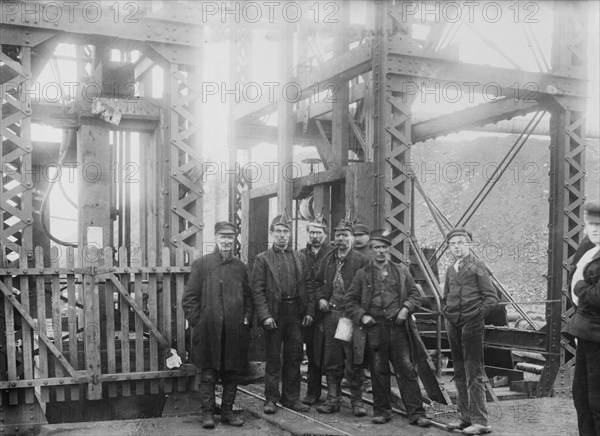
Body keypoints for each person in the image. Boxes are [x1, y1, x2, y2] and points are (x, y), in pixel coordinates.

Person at [346, 229, 431, 427]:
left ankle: (416, 413)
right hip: (375, 329)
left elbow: (415, 295)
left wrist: (406, 309)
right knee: (378, 370)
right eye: (376, 248)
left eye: (384, 247)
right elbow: (350, 301)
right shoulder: (362, 274)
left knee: (406, 369)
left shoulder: (401, 272)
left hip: (398, 328)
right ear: (371, 250)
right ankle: (382, 411)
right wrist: (363, 316)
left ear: (389, 249)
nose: (381, 251)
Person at [182, 221, 253, 429]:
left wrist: (246, 319)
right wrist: (199, 321)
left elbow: (249, 299)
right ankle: (207, 414)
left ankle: (228, 412)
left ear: (234, 240)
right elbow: (189, 298)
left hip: (234, 331)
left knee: (232, 372)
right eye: (222, 237)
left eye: (230, 237)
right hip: (209, 330)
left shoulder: (240, 267)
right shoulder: (202, 264)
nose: (226, 241)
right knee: (209, 372)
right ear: (215, 238)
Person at [251, 213, 314, 414]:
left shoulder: (299, 257)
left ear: (290, 235)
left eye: (285, 232)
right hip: (274, 315)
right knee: (273, 358)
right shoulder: (262, 259)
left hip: (295, 312)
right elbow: (257, 290)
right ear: (272, 234)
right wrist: (265, 315)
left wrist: (309, 311)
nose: (282, 236)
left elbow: (309, 286)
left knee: (294, 356)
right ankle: (271, 399)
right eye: (278, 232)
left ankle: (291, 398)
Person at [442, 228, 498, 435]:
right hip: (453, 323)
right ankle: (464, 418)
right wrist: (446, 312)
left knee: (473, 372)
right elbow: (445, 296)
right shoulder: (450, 269)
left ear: (469, 244)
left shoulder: (478, 266)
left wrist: (476, 316)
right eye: (452, 243)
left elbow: (492, 298)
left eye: (460, 242)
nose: (456, 246)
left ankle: (480, 421)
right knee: (458, 371)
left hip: (471, 324)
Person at [314, 219, 369, 416]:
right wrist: (321, 298)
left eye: (345, 235)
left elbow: (367, 288)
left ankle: (357, 402)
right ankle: (333, 400)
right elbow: (318, 282)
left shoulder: (361, 260)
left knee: (353, 360)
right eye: (338, 235)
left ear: (352, 238)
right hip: (331, 314)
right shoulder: (328, 259)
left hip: (349, 317)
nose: (341, 239)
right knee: (332, 359)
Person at [564, 200, 600, 436]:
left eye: (599, 224)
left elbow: (597, 296)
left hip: (597, 336)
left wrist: (579, 287)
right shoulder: (590, 251)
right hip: (586, 334)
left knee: (597, 402)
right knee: (582, 398)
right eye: (590, 224)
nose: (595, 229)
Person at [300, 216, 330, 405]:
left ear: (325, 235)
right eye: (312, 232)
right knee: (312, 354)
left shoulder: (332, 255)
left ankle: (336, 394)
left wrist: (325, 299)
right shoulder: (300, 255)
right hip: (309, 312)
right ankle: (313, 392)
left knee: (333, 354)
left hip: (328, 310)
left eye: (318, 232)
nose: (315, 236)